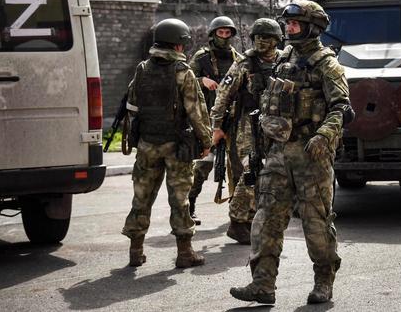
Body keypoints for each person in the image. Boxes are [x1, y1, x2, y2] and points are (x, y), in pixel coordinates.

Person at [230, 1, 354, 304]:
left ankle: (324, 280)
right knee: (266, 218)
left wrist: (325, 135)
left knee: (316, 222)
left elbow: (342, 108)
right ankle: (262, 284)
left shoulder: (327, 64)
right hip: (278, 153)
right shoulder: (283, 59)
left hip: (312, 155)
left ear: (312, 27)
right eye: (288, 24)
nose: (289, 29)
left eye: (295, 24)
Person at [121, 18, 212, 268]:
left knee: (142, 197)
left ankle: (135, 251)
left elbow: (132, 105)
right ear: (179, 45)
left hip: (147, 144)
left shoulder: (142, 68)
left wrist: (135, 137)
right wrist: (206, 141)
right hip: (177, 147)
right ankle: (185, 254)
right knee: (179, 199)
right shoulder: (184, 73)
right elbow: (197, 112)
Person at [209, 18, 283, 244]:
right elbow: (223, 96)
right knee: (251, 173)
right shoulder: (243, 64)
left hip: (276, 126)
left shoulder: (284, 61)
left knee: (270, 176)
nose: (261, 41)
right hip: (246, 127)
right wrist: (217, 126)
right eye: (257, 37)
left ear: (276, 40)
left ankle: (252, 218)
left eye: (266, 37)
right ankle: (237, 220)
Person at [189, 16, 242, 224]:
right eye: (220, 32)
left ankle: (237, 210)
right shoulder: (202, 57)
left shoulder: (237, 58)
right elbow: (184, 80)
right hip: (207, 120)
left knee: (237, 167)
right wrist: (202, 80)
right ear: (213, 34)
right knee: (203, 165)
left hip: (233, 119)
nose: (224, 36)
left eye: (227, 33)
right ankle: (189, 205)